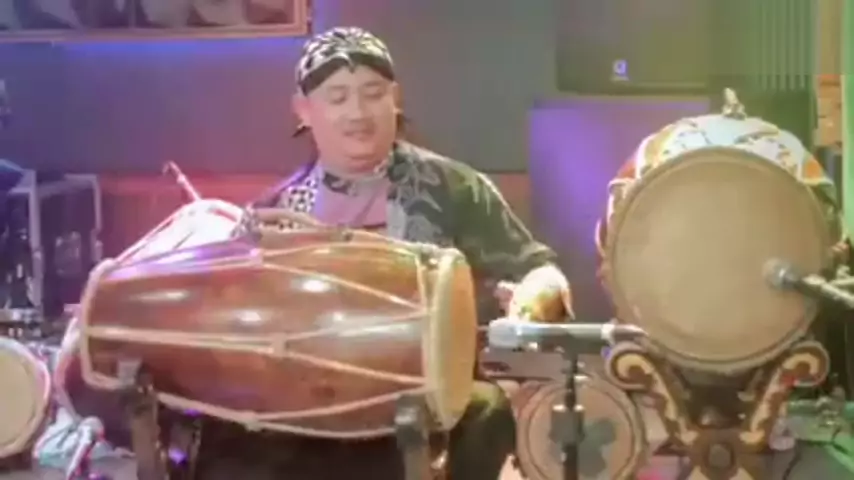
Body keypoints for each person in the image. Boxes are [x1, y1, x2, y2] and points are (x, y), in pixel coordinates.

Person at [194, 26, 573, 480]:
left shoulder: (454, 188)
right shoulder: (273, 214)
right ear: (304, 111)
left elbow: (541, 270)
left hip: (425, 401)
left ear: (395, 97)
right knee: (223, 434)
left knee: (486, 411)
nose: (358, 112)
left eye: (373, 93)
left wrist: (530, 302)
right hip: (307, 411)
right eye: (338, 97)